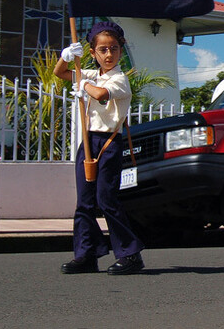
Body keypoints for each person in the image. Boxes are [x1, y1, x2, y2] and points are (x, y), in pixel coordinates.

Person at [54, 21, 145, 275]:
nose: (108, 54)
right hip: (88, 142)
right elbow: (60, 73)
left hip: (108, 143)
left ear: (121, 50)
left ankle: (130, 254)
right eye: (102, 50)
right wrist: (66, 56)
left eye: (113, 49)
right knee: (84, 201)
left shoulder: (119, 79)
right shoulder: (92, 74)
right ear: (92, 53)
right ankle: (86, 254)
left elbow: (102, 94)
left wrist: (83, 86)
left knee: (106, 199)